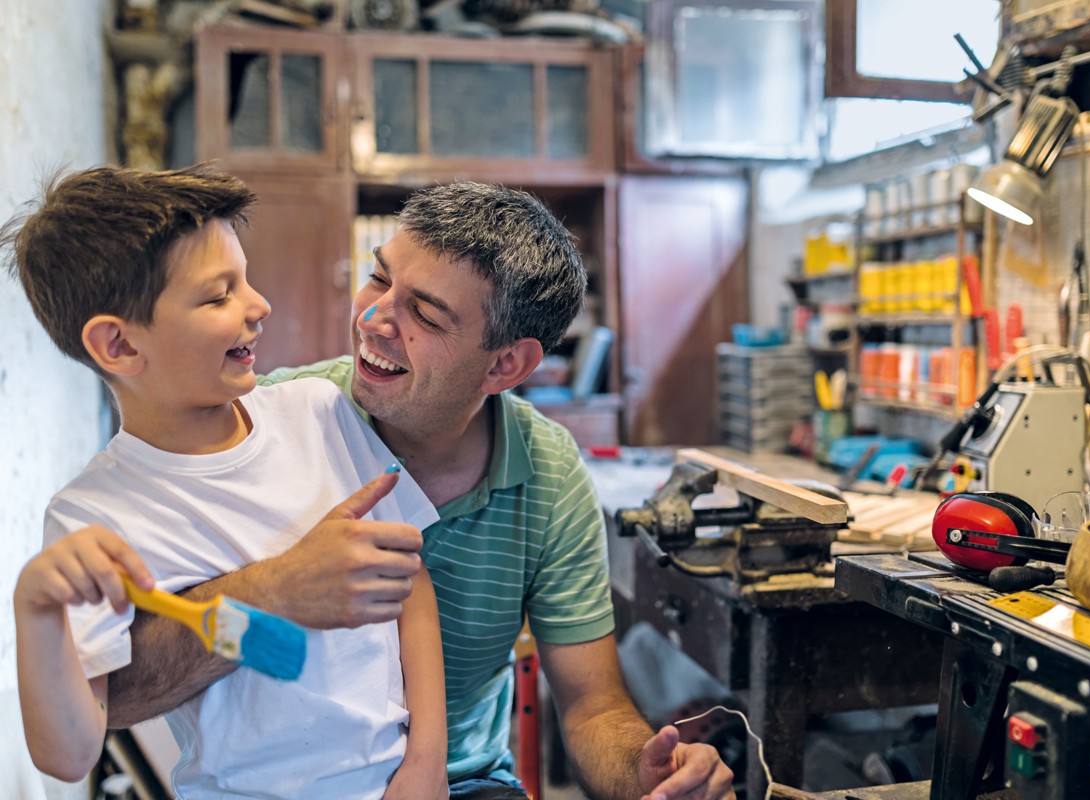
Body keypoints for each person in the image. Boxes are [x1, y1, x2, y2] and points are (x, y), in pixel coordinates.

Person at [106, 181, 736, 799]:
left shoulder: (547, 472)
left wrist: (647, 772)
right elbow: (115, 695)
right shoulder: (271, 421)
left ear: (504, 365)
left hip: (465, 781)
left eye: (426, 314)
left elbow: (592, 707)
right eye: (379, 279)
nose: (374, 321)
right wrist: (275, 591)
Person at [5, 165, 447, 799]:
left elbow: (410, 583)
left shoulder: (317, 411)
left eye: (246, 280)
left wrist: (427, 764)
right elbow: (71, 754)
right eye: (218, 296)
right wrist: (37, 611)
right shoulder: (93, 517)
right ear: (120, 347)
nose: (258, 305)